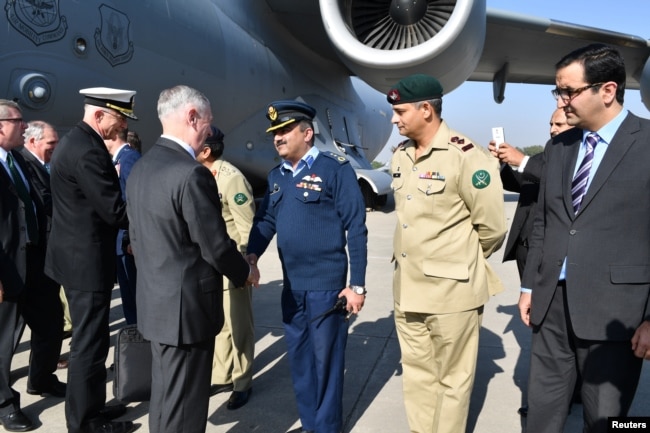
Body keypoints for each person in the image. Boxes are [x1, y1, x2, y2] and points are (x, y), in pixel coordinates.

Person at [519, 43, 650, 433]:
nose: (562, 101)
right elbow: (545, 221)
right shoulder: (559, 146)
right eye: (558, 91)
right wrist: (529, 286)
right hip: (551, 305)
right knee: (541, 414)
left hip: (617, 314)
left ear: (607, 90)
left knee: (605, 420)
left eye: (569, 91)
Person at [126, 85, 258, 433]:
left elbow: (137, 240)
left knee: (167, 399)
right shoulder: (191, 173)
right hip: (187, 313)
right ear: (191, 116)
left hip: (156, 305)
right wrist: (244, 271)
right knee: (186, 408)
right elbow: (214, 245)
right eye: (208, 123)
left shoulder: (142, 167)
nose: (209, 132)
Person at [387, 74, 506, 433]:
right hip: (407, 290)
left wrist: (458, 260)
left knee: (454, 380)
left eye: (400, 111)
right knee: (418, 375)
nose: (394, 119)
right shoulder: (401, 156)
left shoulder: (465, 155)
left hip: (453, 292)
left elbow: (493, 228)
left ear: (426, 110)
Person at [246, 100, 367, 433]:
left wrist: (356, 285)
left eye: (285, 131)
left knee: (326, 365)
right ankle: (313, 425)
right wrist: (252, 255)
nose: (277, 138)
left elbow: (355, 226)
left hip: (326, 288)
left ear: (307, 133)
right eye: (275, 133)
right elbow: (266, 219)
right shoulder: (276, 176)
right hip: (292, 288)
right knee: (300, 364)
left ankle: (326, 429)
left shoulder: (335, 169)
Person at [45, 88, 137, 433]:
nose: (124, 123)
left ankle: (93, 408)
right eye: (120, 117)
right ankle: (86, 422)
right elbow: (115, 210)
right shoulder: (87, 151)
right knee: (89, 344)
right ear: (100, 115)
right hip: (85, 262)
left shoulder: (78, 142)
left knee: (91, 339)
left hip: (76, 256)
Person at [487, 109, 573, 417]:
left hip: (549, 255)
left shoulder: (568, 160)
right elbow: (519, 182)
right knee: (544, 326)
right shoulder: (549, 154)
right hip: (527, 251)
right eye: (550, 124)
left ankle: (546, 399)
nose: (552, 129)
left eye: (559, 124)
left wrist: (521, 158)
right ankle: (555, 393)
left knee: (549, 330)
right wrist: (504, 162)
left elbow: (538, 171)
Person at [0, 99, 52, 432]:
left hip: (33, 258)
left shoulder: (18, 159)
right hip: (6, 267)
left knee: (48, 323)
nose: (24, 126)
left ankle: (41, 378)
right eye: (19, 121)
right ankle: (4, 403)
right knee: (5, 340)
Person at [196, 126, 256, 409]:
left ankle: (242, 381)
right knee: (220, 325)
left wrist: (244, 268)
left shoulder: (231, 179)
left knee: (240, 326)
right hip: (211, 265)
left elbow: (246, 227)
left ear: (206, 151)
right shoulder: (200, 176)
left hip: (233, 265)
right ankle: (222, 375)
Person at [19, 121, 70, 371]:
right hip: (36, 256)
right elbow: (46, 204)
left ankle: (42, 377)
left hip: (43, 255)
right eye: (51, 143)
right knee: (45, 321)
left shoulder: (39, 165)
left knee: (49, 321)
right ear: (33, 142)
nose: (55, 147)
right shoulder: (26, 165)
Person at [104, 128, 141, 325]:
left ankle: (140, 338)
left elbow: (133, 201)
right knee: (127, 295)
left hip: (126, 241)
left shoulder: (128, 158)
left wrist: (129, 236)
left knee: (133, 295)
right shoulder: (119, 159)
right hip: (119, 241)